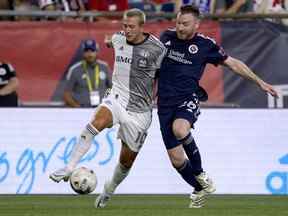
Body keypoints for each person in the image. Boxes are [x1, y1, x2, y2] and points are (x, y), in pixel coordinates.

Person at [157, 4, 279, 208]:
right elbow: (152, 67)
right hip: (164, 103)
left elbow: (233, 64)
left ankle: (200, 173)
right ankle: (199, 187)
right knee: (176, 160)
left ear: (197, 24)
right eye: (178, 22)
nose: (180, 27)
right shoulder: (165, 38)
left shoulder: (205, 45)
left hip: (188, 98)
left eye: (185, 24)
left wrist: (260, 82)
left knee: (180, 129)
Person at [49, 8, 166, 208]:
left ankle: (108, 191)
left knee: (126, 162)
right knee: (96, 123)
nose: (127, 30)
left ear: (141, 27)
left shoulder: (157, 49)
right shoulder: (119, 38)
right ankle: (69, 167)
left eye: (131, 27)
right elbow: (112, 41)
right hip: (116, 98)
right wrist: (108, 42)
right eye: (124, 26)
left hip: (140, 112)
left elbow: (166, 76)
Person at [63, 39, 112, 108]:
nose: (90, 54)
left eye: (92, 51)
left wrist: (108, 104)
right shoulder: (75, 69)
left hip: (102, 109)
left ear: (97, 52)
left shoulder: (104, 67)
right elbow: (66, 94)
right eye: (87, 51)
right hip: (81, 110)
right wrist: (77, 108)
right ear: (83, 52)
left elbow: (113, 89)